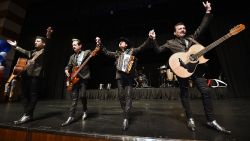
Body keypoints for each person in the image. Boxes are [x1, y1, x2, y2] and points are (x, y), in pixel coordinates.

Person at [153, 1, 231, 134]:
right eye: (180, 29)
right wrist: (152, 40)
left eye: (184, 28)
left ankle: (211, 120)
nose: (183, 29)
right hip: (182, 70)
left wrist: (207, 12)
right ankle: (190, 118)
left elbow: (202, 27)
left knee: (205, 92)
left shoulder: (191, 38)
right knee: (185, 94)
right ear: (175, 33)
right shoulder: (170, 43)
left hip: (196, 70)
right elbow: (158, 50)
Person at [96, 30, 156, 130]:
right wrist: (100, 44)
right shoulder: (116, 53)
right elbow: (106, 52)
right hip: (119, 77)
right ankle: (126, 111)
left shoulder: (132, 51)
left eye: (122, 42)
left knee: (128, 96)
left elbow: (142, 47)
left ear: (126, 44)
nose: (120, 43)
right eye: (119, 42)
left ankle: (126, 117)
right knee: (120, 96)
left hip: (129, 77)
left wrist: (149, 39)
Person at [7, 27, 53, 124]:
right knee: (22, 94)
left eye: (38, 41)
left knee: (33, 95)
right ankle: (28, 114)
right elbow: (25, 52)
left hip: (36, 76)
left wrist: (48, 35)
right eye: (35, 41)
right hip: (27, 75)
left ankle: (27, 115)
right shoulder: (32, 52)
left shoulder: (45, 51)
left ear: (43, 43)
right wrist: (16, 47)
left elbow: (49, 44)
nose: (35, 42)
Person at [61, 38, 98, 126]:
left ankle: (85, 110)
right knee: (74, 98)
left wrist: (97, 44)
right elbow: (68, 66)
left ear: (80, 45)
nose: (73, 46)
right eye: (72, 45)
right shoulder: (72, 57)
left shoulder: (86, 52)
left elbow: (95, 52)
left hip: (84, 77)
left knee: (83, 95)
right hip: (74, 78)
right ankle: (71, 116)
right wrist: (66, 70)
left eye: (75, 44)